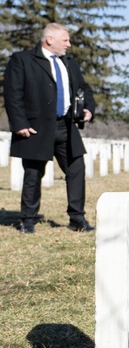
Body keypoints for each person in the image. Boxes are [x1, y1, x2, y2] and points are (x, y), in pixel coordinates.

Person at [4, 23, 96, 234]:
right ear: (49, 40)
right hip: (35, 127)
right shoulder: (22, 60)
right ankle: (28, 219)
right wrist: (20, 124)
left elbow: (83, 89)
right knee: (33, 174)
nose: (69, 44)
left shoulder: (69, 63)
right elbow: (13, 94)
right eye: (65, 40)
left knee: (76, 169)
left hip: (65, 126)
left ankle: (76, 217)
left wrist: (88, 109)